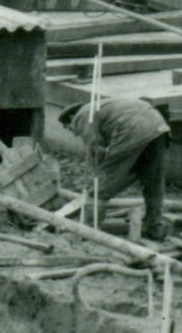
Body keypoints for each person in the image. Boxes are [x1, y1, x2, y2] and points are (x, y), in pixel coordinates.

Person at [47, 97, 173, 241]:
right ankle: (154, 227)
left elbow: (96, 149)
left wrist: (97, 178)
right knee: (154, 182)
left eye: (69, 128)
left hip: (132, 129)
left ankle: (89, 229)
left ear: (70, 118)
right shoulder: (103, 107)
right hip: (159, 126)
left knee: (102, 186)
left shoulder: (82, 116)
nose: (74, 133)